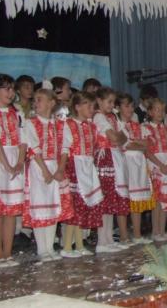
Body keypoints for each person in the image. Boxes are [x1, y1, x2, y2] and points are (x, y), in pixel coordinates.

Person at [23, 88, 74, 261]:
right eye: (35, 100)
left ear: (51, 103)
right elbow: (33, 148)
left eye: (39, 99)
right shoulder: (30, 123)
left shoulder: (60, 124)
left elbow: (65, 148)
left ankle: (50, 247)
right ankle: (42, 249)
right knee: (40, 207)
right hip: (38, 167)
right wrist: (45, 171)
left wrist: (60, 169)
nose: (35, 102)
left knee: (53, 206)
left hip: (55, 166)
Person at [0, 73, 27, 268]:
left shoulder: (17, 113)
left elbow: (23, 140)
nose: (11, 93)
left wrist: (19, 161)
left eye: (12, 89)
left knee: (11, 211)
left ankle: (8, 254)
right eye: (6, 89)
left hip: (14, 159)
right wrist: (7, 165)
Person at [60, 91, 103, 258]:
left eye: (93, 106)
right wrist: (61, 169)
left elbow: (95, 147)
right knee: (75, 207)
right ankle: (67, 246)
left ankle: (79, 244)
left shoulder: (92, 126)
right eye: (88, 105)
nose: (92, 109)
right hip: (75, 167)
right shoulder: (69, 124)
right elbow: (65, 148)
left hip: (87, 167)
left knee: (82, 207)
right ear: (77, 107)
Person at [93, 87, 130, 253]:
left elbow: (124, 137)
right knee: (105, 199)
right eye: (108, 101)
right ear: (99, 101)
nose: (111, 105)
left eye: (113, 102)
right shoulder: (98, 116)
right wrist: (118, 137)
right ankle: (102, 241)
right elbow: (115, 138)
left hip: (114, 157)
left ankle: (108, 239)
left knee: (110, 200)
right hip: (105, 158)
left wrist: (118, 137)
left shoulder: (112, 117)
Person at [116, 93, 154, 244]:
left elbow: (147, 144)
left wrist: (135, 143)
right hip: (125, 162)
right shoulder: (117, 125)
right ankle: (124, 236)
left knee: (136, 199)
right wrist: (137, 143)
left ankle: (137, 235)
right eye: (126, 106)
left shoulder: (136, 125)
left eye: (132, 106)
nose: (130, 109)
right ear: (118, 107)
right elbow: (125, 145)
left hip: (138, 163)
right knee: (124, 199)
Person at [142, 97, 167, 241]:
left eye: (162, 110)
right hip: (155, 165)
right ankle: (155, 231)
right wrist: (161, 165)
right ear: (150, 112)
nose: (160, 113)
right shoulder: (145, 128)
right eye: (157, 110)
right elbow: (147, 151)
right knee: (157, 200)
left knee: (166, 199)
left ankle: (162, 231)